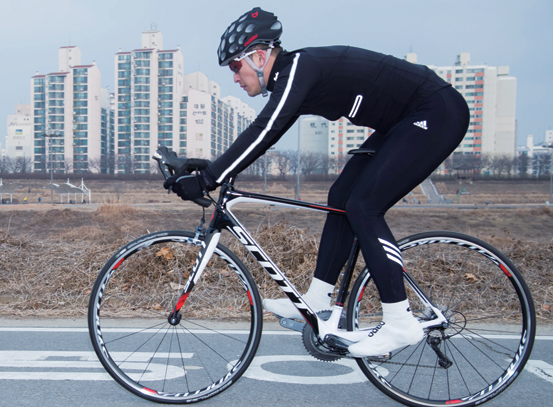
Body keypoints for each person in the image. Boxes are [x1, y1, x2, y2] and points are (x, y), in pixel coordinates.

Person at [164, 7, 470, 357]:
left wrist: (208, 178)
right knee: (341, 197)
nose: (234, 77)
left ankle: (400, 322)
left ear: (260, 56)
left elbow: (265, 130)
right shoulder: (294, 76)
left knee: (364, 207)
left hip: (436, 111)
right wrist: (209, 168)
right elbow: (264, 134)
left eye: (235, 66)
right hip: (403, 121)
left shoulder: (298, 68)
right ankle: (317, 299)